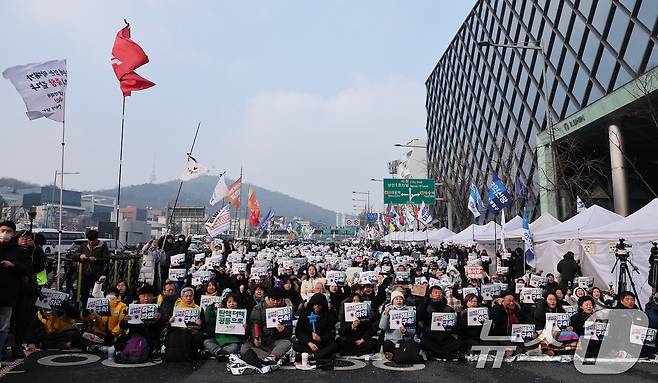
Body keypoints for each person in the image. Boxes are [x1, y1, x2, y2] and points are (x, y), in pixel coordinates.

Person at [0, 220, 30, 361]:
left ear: (13, 234)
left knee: (4, 327)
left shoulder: (19, 252)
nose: (5, 234)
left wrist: (13, 265)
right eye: (2, 230)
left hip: (9, 294)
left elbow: (27, 269)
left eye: (8, 231)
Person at [240, 287, 293, 364]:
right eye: (273, 300)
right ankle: (270, 357)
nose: (275, 302)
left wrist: (283, 330)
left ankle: (271, 356)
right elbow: (254, 324)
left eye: (278, 300)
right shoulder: (258, 308)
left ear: (282, 300)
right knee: (244, 348)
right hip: (261, 341)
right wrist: (256, 338)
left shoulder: (285, 310)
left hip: (275, 342)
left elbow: (289, 331)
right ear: (268, 298)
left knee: (287, 343)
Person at [418, 286, 464, 360]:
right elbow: (419, 318)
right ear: (430, 295)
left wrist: (451, 328)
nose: (438, 294)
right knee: (424, 342)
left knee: (460, 342)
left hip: (445, 336)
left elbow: (456, 324)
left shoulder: (449, 308)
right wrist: (423, 302)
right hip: (430, 335)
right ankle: (448, 355)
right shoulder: (425, 307)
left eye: (440, 293)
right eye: (435, 293)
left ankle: (436, 354)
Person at [293, 293, 339, 363]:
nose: (317, 306)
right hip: (308, 343)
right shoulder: (305, 315)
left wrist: (320, 339)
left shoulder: (328, 316)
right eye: (314, 304)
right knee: (296, 345)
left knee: (334, 345)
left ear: (323, 305)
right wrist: (309, 342)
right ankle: (320, 355)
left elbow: (331, 334)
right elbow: (299, 331)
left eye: (319, 305)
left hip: (322, 343)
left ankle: (313, 356)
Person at [71, 229, 110, 307]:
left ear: (97, 239)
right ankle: (84, 307)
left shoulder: (103, 246)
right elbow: (74, 255)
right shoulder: (84, 246)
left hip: (97, 274)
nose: (91, 242)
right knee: (84, 292)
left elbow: (107, 259)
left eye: (93, 240)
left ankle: (96, 308)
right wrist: (80, 255)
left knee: (96, 293)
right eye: (89, 240)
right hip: (85, 274)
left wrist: (95, 259)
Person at [203, 293, 246, 358]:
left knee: (235, 346)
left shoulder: (242, 314)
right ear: (226, 303)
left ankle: (214, 352)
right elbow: (209, 320)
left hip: (232, 341)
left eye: (234, 301)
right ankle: (220, 353)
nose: (232, 303)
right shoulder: (220, 312)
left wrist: (245, 328)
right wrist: (210, 307)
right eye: (229, 302)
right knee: (206, 342)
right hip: (218, 340)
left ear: (237, 303)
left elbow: (246, 333)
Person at [379, 290, 417, 361]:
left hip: (405, 341)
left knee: (415, 345)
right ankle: (400, 355)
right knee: (387, 344)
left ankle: (399, 355)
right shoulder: (388, 310)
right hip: (392, 341)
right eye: (396, 299)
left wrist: (405, 331)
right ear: (392, 301)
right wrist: (386, 315)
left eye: (400, 299)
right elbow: (382, 327)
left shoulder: (409, 311)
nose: (399, 301)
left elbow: (413, 330)